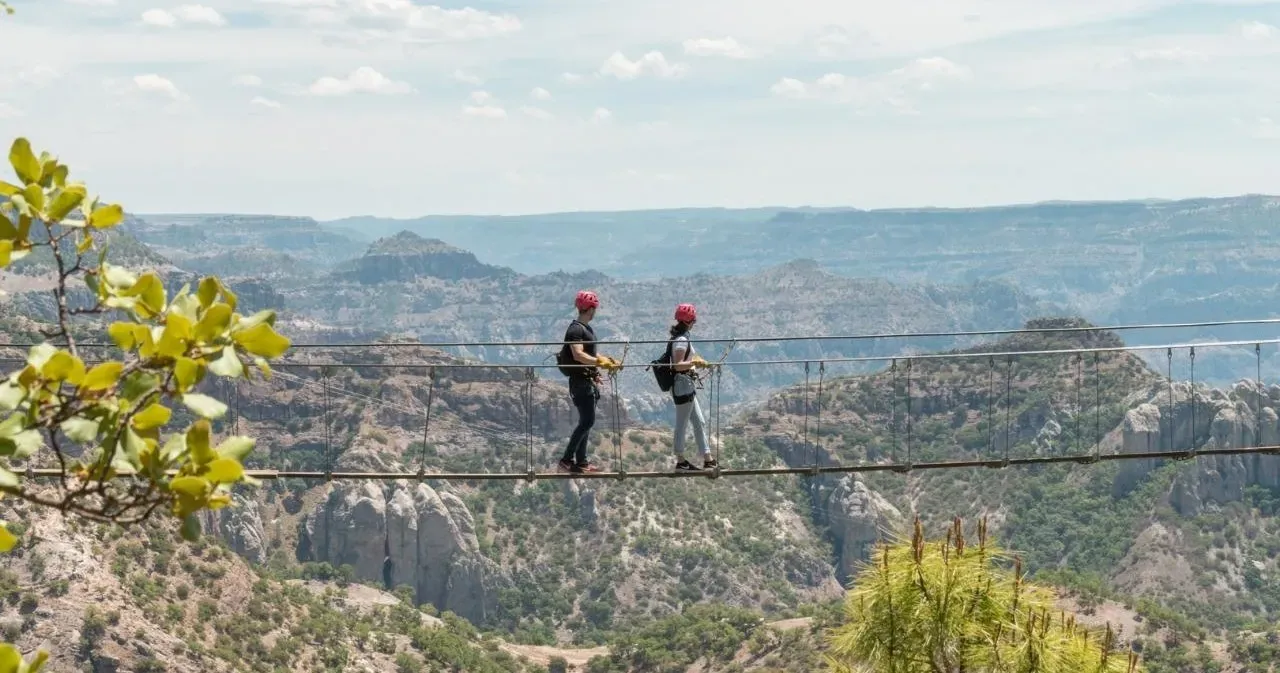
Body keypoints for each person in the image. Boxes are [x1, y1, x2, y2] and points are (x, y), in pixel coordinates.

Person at [558, 290, 621, 473]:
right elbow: (578, 354)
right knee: (587, 422)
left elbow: (591, 355)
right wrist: (598, 362)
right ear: (591, 309)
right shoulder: (576, 329)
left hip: (587, 381)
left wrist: (606, 361)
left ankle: (581, 462)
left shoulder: (586, 329)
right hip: (580, 383)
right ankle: (566, 459)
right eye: (594, 308)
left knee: (587, 421)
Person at [667, 303, 717, 471]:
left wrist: (696, 362)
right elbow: (678, 365)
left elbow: (685, 361)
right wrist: (693, 362)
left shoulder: (681, 337)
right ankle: (680, 461)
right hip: (682, 385)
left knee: (699, 422)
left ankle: (708, 459)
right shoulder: (681, 340)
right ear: (689, 321)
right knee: (682, 424)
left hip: (686, 385)